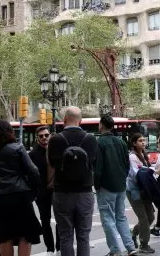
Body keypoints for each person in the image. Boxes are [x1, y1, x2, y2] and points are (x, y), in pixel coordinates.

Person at [0, 120, 42, 256]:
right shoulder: (18, 148)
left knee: (5, 237)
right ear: (9, 132)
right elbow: (33, 171)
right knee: (25, 235)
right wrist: (33, 191)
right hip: (19, 196)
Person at [48, 106, 98, 256]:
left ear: (64, 120)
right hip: (84, 193)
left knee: (65, 236)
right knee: (83, 237)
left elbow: (51, 163)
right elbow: (94, 164)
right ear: (80, 121)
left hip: (62, 193)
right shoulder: (90, 139)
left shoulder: (56, 139)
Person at [94, 115, 138, 256]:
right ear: (112, 126)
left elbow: (98, 168)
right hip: (120, 185)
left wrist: (97, 185)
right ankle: (130, 247)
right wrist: (122, 178)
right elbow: (127, 165)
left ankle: (115, 250)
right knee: (121, 217)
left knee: (108, 219)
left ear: (101, 125)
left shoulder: (100, 143)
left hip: (106, 186)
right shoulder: (121, 142)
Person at [28, 126, 59, 256]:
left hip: (57, 191)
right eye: (41, 136)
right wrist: (35, 193)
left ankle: (60, 247)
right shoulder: (33, 154)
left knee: (60, 220)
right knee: (45, 221)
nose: (44, 138)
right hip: (42, 193)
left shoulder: (56, 150)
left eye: (46, 135)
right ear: (37, 138)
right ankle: (50, 249)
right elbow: (30, 175)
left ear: (50, 135)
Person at [126, 133, 156, 253]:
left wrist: (152, 169)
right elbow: (135, 173)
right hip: (134, 190)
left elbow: (145, 170)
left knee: (151, 217)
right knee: (144, 218)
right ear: (134, 143)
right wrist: (151, 170)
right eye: (140, 141)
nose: (143, 142)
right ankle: (144, 244)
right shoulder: (132, 156)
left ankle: (134, 233)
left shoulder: (144, 154)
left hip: (145, 190)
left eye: (144, 140)